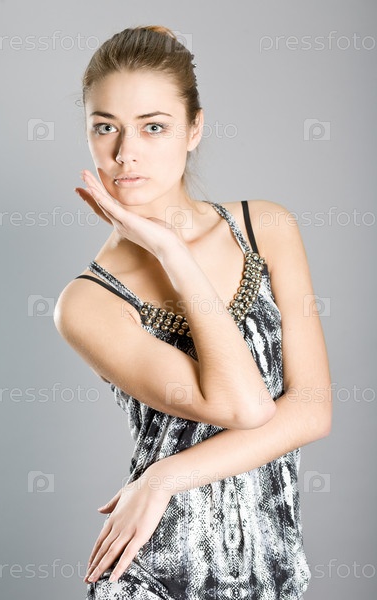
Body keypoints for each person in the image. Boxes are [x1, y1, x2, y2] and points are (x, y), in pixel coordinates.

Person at [53, 24, 332, 600]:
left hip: (272, 569)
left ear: (194, 128)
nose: (125, 153)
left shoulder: (266, 227)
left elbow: (311, 409)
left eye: (153, 126)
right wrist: (171, 252)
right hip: (157, 573)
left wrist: (163, 477)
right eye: (105, 127)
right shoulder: (87, 302)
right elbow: (245, 406)